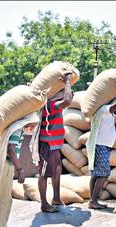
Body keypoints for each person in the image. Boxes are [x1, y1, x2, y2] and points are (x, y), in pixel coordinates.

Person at [0, 112, 39, 227]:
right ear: (28, 122)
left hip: (4, 165)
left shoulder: (17, 129)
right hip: (4, 165)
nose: (34, 128)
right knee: (2, 200)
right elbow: (11, 150)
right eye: (34, 124)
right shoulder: (17, 130)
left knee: (6, 199)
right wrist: (20, 169)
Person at [32, 73, 73, 213]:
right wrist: (67, 81)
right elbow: (68, 100)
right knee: (43, 173)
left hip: (54, 144)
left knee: (56, 170)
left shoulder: (51, 105)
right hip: (47, 144)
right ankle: (44, 203)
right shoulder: (50, 105)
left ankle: (56, 197)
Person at [86, 82, 116, 209]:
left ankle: (92, 201)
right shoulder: (105, 110)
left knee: (96, 174)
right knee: (103, 173)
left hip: (101, 145)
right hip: (100, 145)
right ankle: (93, 201)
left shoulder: (106, 112)